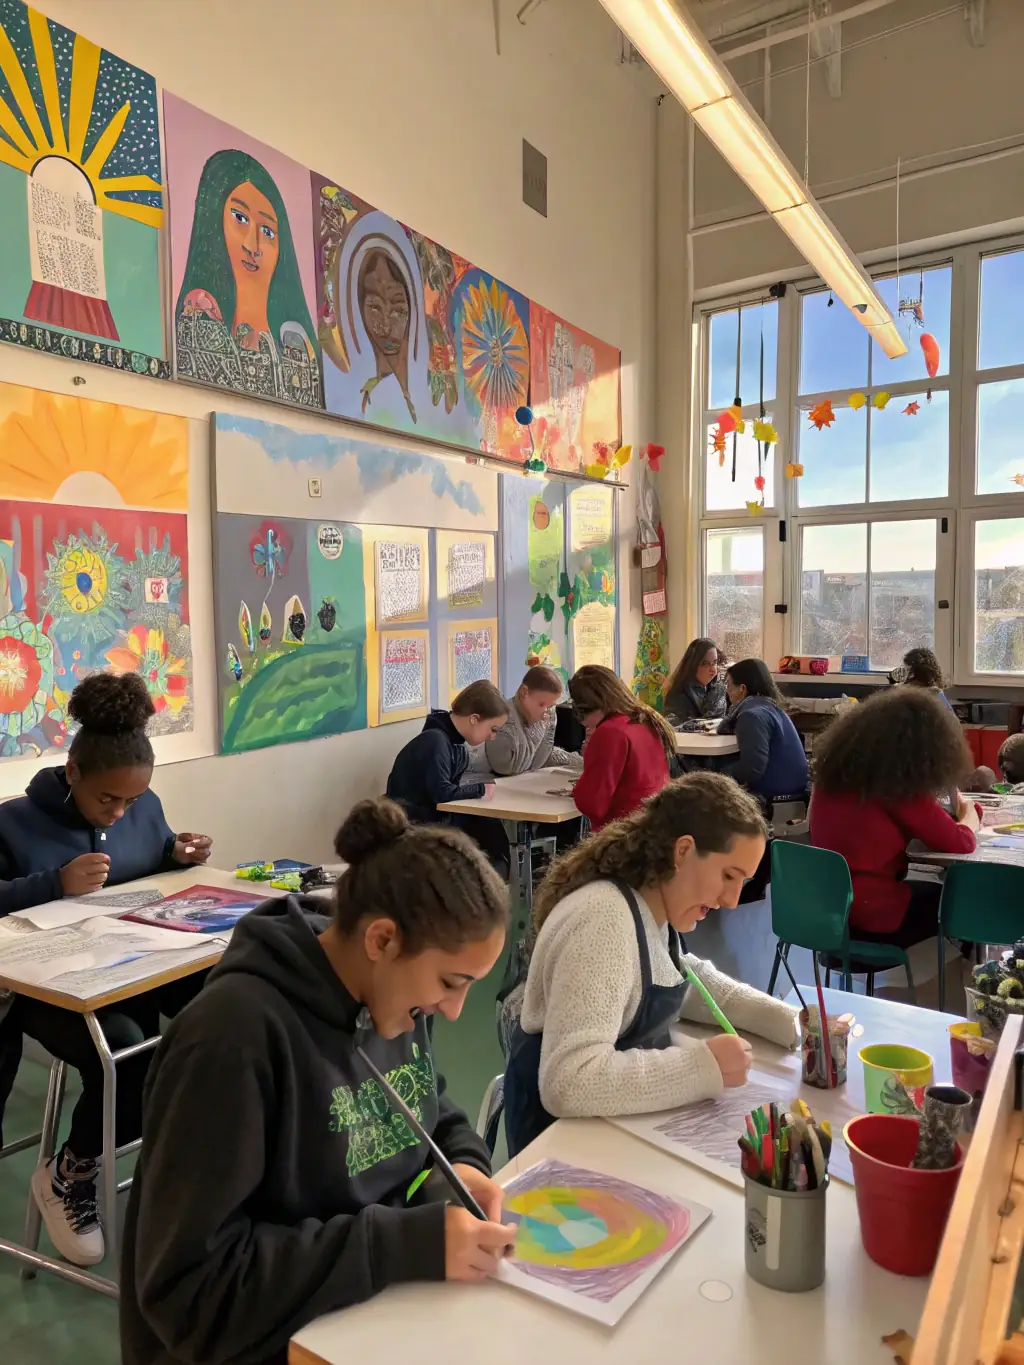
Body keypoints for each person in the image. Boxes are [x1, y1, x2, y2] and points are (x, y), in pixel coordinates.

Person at [120, 799, 515, 1365]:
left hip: (358, 1319)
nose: (455, 1011)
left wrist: (461, 1166)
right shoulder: (230, 1040)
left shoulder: (392, 1000)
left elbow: (426, 1103)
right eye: (451, 982)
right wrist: (405, 1245)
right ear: (381, 941)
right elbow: (192, 1295)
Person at [0, 673, 213, 1267]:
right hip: (52, 990)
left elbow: (150, 852)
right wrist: (52, 884)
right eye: (107, 801)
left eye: (133, 801)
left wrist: (177, 853)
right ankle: (70, 1172)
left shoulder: (143, 808)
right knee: (128, 1053)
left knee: (226, 1007)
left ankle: (197, 1154)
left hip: (135, 963)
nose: (120, 814)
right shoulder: (14, 823)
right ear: (73, 773)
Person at [503, 773, 799, 1156]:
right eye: (729, 876)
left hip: (613, 1133)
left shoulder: (651, 907)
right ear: (683, 852)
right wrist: (701, 1068)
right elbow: (569, 1082)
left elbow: (688, 979)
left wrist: (791, 1022)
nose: (731, 900)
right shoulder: (604, 920)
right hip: (562, 1152)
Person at [809, 688, 979, 945]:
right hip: (872, 915)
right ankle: (976, 977)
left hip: (826, 910)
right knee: (963, 898)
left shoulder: (834, 773)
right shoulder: (895, 785)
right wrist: (969, 814)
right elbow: (961, 843)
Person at [175, 149, 321, 407]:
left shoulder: (297, 345)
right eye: (239, 218)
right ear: (214, 222)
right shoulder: (198, 318)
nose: (253, 245)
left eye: (267, 231)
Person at [568, 665, 675, 831]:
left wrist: (579, 788)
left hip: (622, 836)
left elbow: (592, 804)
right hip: (652, 827)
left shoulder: (610, 732)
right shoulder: (645, 720)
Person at [385, 680, 508, 824]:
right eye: (493, 729)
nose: (493, 737)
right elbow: (442, 794)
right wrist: (481, 789)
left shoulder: (459, 747)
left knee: (489, 825)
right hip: (411, 828)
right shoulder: (435, 741)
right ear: (474, 719)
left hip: (432, 822)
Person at [718, 659, 809, 800]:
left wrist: (715, 774)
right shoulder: (769, 706)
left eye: (729, 686)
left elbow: (752, 769)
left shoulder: (750, 715)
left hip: (777, 790)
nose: (727, 692)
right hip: (793, 784)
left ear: (742, 688)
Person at [481, 665, 583, 776]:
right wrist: (540, 729)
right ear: (524, 693)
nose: (546, 711)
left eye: (550, 706)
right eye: (541, 704)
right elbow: (507, 768)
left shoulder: (547, 714)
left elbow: (538, 762)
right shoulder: (501, 720)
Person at [663, 638, 727, 726]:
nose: (713, 669)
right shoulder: (677, 695)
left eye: (715, 662)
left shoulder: (721, 688)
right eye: (706, 664)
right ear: (693, 665)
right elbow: (674, 727)